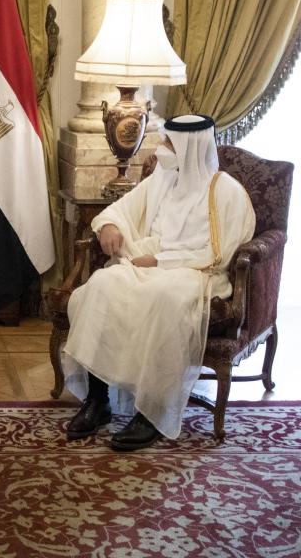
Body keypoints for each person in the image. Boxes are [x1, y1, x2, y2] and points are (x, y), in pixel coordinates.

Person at [62, 114, 255, 450]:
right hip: (146, 264)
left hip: (193, 274)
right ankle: (98, 399)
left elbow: (220, 254)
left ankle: (152, 412)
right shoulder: (162, 179)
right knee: (101, 287)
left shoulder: (226, 192)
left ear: (189, 147)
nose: (160, 148)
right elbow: (118, 210)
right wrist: (110, 227)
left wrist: (161, 261)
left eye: (168, 142)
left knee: (165, 298)